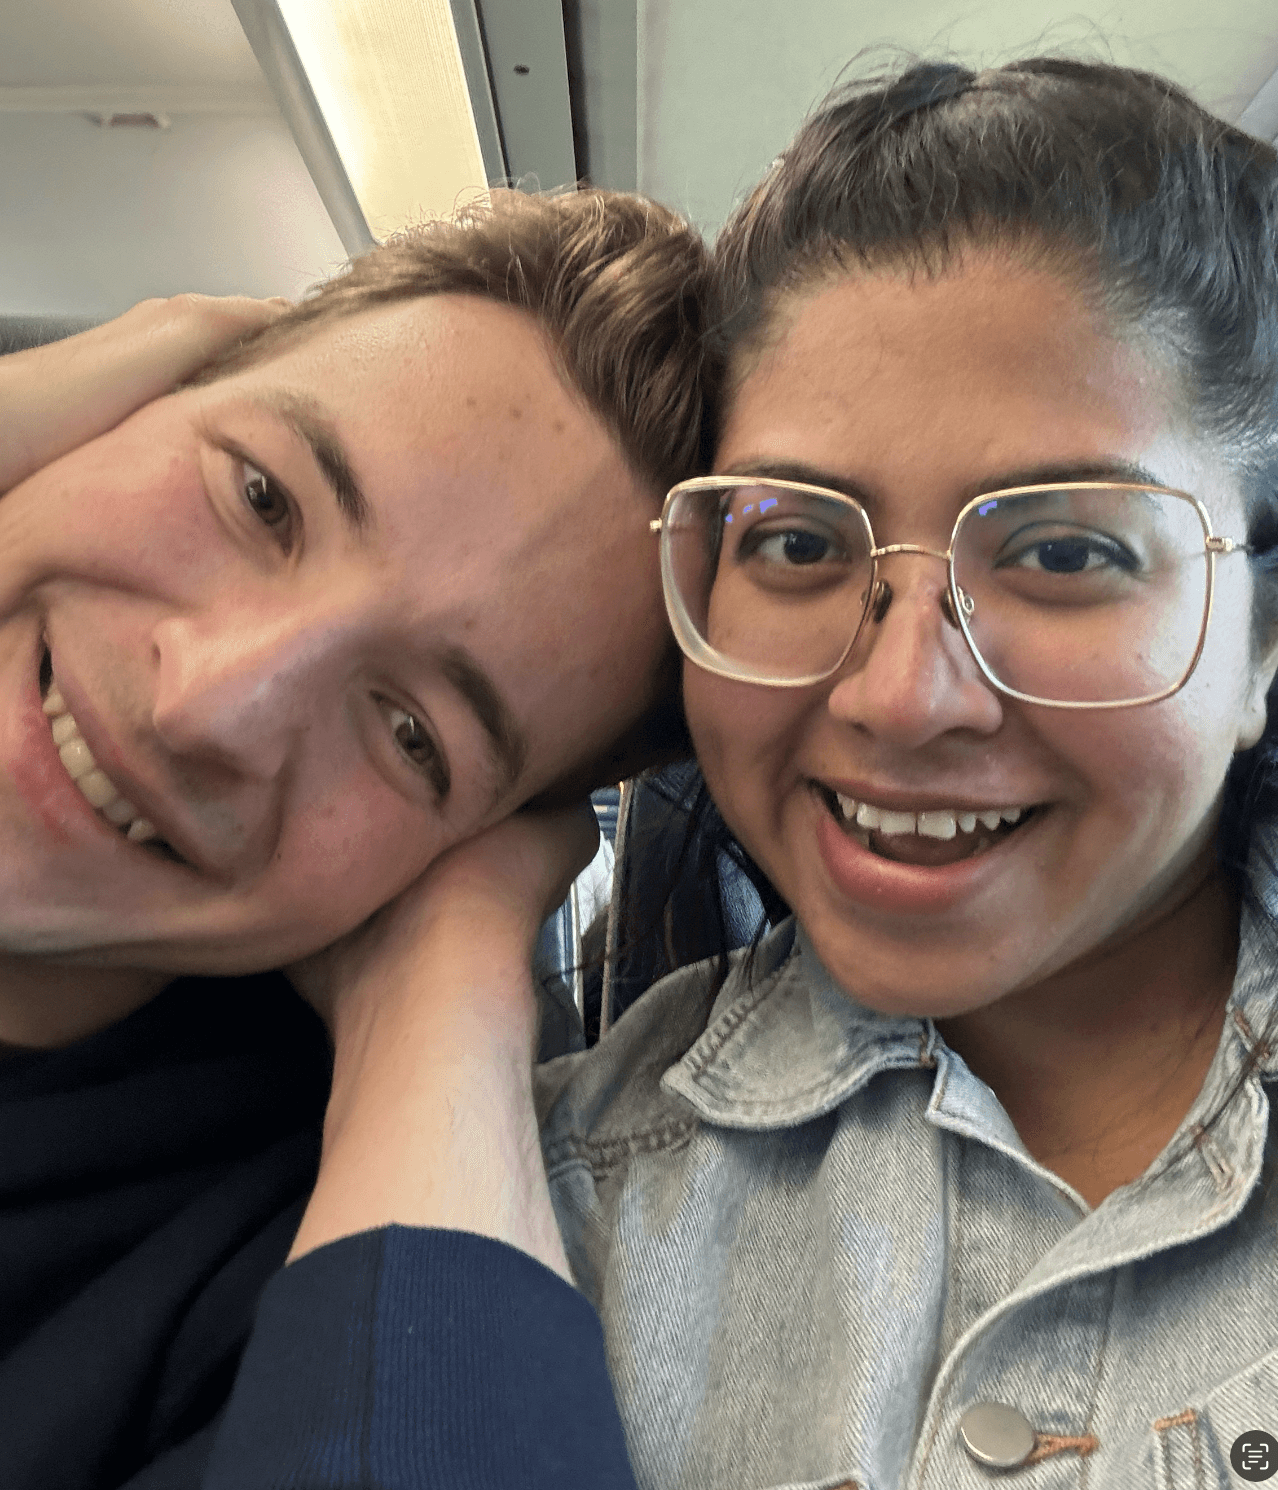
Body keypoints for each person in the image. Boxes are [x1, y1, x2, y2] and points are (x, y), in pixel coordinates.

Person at [520, 59, 1278, 1490]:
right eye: (797, 543)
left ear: (1259, 646)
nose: (899, 697)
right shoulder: (550, 1196)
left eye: (1064, 551)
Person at [0, 187, 715, 1489]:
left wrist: (440, 995)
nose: (205, 701)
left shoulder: (272, 1290)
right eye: (261, 497)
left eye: (412, 735)